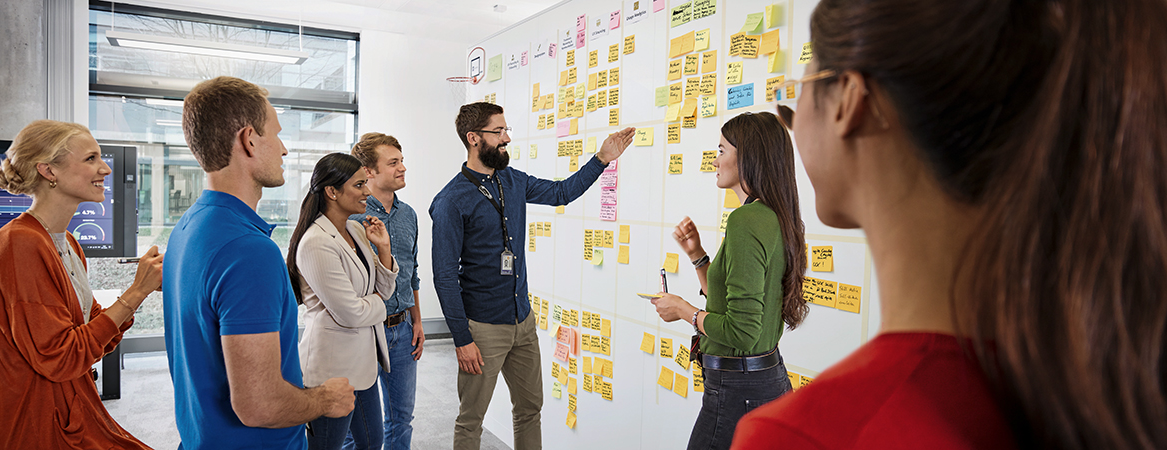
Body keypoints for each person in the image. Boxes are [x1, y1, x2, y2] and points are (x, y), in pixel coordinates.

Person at [732, 1, 1167, 449]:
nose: (793, 120)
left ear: (849, 100)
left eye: (798, 90)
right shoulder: (1106, 387)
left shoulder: (802, 435)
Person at [430, 102, 636, 450]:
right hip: (483, 328)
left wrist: (601, 159)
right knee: (471, 420)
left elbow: (561, 192)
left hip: (522, 322)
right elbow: (445, 276)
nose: (507, 138)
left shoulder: (511, 181)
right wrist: (462, 339)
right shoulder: (451, 200)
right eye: (499, 131)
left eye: (506, 130)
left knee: (529, 410)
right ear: (473, 138)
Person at [163, 76, 354, 450]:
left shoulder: (188, 226)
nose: (284, 149)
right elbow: (259, 404)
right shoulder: (247, 250)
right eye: (277, 135)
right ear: (249, 140)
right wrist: (324, 399)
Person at [0, 120, 163, 449]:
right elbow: (62, 357)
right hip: (39, 424)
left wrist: (145, 287)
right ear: (49, 171)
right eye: (91, 159)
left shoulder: (67, 243)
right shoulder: (18, 244)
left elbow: (94, 334)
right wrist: (136, 291)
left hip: (71, 408)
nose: (105, 168)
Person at [650, 112, 807, 450]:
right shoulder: (774, 216)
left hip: (738, 390)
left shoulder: (745, 220)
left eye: (722, 150)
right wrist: (697, 255)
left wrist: (683, 310)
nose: (715, 160)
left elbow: (741, 332)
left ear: (748, 157)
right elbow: (730, 303)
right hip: (765, 380)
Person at [287, 152, 396, 450]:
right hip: (330, 369)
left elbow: (383, 290)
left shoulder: (356, 230)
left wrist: (383, 248)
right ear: (332, 192)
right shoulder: (316, 242)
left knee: (372, 443)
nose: (367, 192)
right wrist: (379, 305)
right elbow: (350, 313)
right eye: (359, 185)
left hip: (363, 365)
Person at [345, 132, 424, 450]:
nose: (402, 167)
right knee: (354, 425)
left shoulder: (409, 215)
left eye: (402, 160)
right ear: (368, 171)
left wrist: (417, 321)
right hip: (364, 331)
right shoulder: (352, 218)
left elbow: (412, 272)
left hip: (403, 331)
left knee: (401, 419)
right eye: (393, 163)